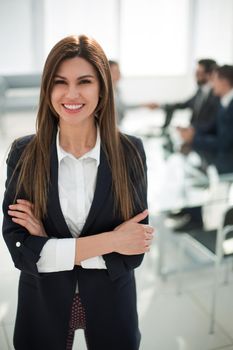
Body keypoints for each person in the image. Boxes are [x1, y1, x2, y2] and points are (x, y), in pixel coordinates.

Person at [2, 35, 154, 350]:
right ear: (48, 89)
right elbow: (21, 250)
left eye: (84, 81)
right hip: (43, 306)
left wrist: (48, 246)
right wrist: (112, 241)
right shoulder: (24, 152)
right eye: (60, 82)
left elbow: (135, 249)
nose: (71, 94)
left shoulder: (130, 151)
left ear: (102, 87)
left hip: (112, 306)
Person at [173, 65, 233, 231]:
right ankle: (193, 215)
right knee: (190, 170)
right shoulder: (225, 101)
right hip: (218, 159)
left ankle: (209, 227)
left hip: (226, 164)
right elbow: (212, 128)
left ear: (224, 82)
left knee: (202, 183)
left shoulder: (230, 104)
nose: (212, 84)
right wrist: (192, 133)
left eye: (214, 80)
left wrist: (194, 138)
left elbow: (224, 142)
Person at [109, 60, 156, 124]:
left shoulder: (117, 90)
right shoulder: (106, 92)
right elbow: (122, 107)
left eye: (119, 72)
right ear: (107, 73)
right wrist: (145, 105)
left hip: (117, 125)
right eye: (116, 72)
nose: (119, 74)